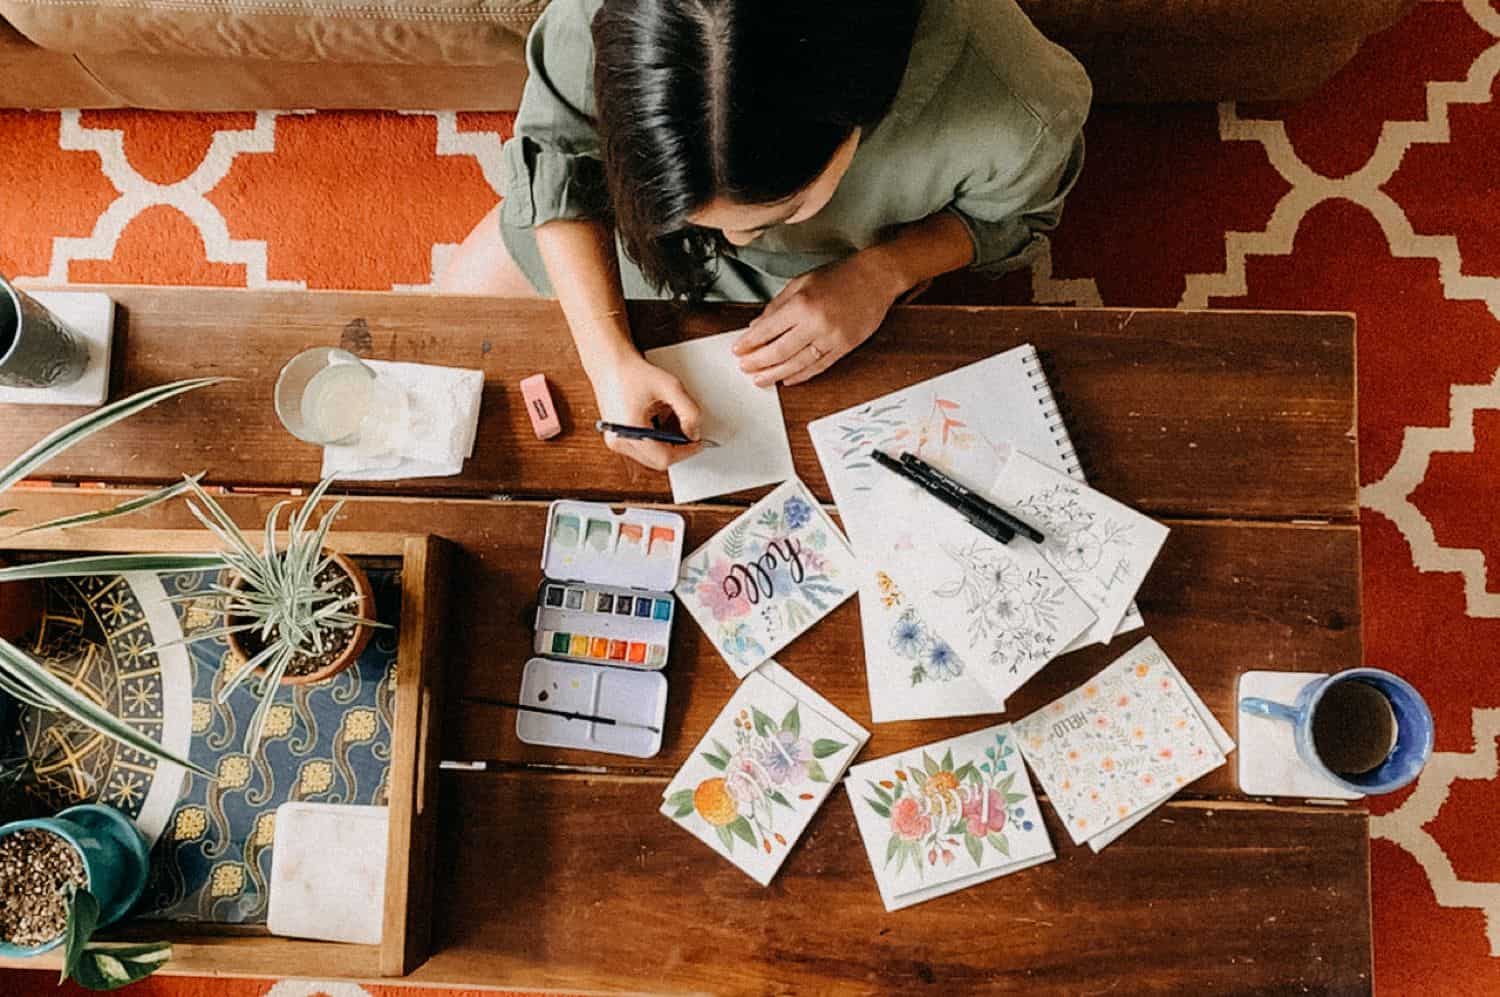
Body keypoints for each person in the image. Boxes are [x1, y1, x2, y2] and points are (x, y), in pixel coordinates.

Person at [440, 0, 1091, 471]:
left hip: (831, 277)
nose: (736, 244)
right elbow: (557, 154)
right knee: (436, 355)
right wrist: (605, 357)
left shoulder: (1015, 105)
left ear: (855, 119)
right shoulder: (612, 12)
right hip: (620, 236)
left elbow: (1010, 218)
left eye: (774, 214)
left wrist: (882, 272)